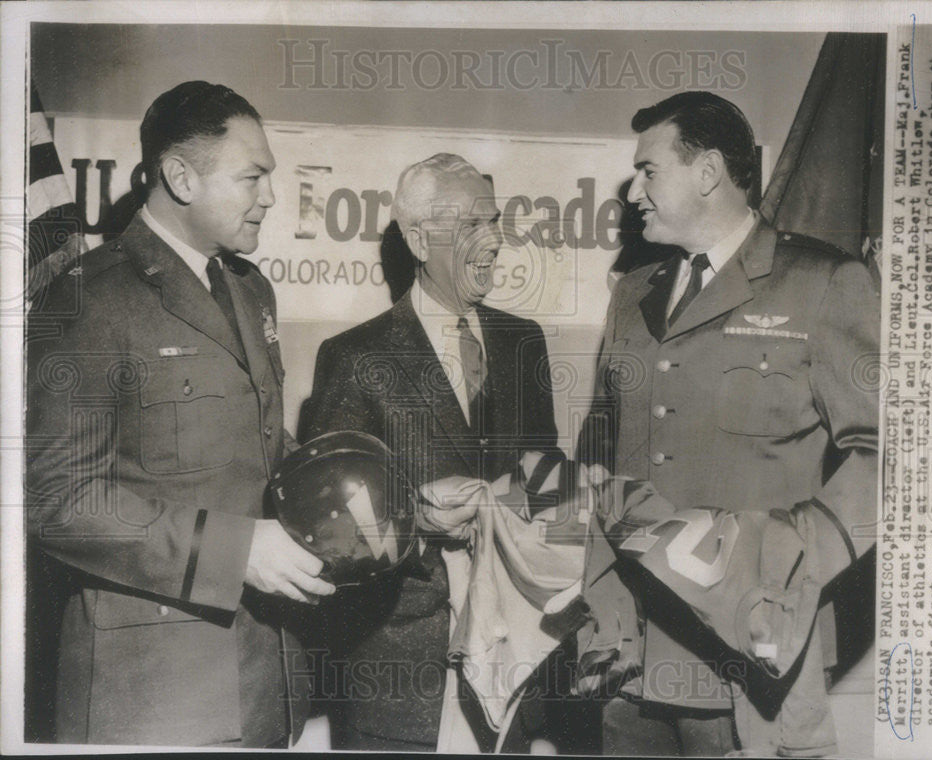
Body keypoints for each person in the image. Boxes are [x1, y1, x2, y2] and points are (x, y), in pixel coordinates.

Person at [25, 81, 336, 748]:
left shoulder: (252, 292)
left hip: (262, 679)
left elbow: (253, 450)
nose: (272, 197)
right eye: (253, 177)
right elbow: (58, 502)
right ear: (179, 177)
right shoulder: (91, 299)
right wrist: (236, 550)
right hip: (153, 696)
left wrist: (348, 494)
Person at [577, 91, 879, 756]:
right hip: (630, 654)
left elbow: (884, 457)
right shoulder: (633, 293)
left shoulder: (824, 283)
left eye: (649, 171)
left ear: (707, 171)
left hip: (746, 661)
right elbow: (601, 437)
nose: (634, 194)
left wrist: (796, 562)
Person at [300, 153, 591, 753]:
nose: (491, 242)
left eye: (494, 222)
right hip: (398, 674)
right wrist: (418, 521)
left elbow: (547, 483)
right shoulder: (356, 356)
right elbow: (326, 531)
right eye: (467, 227)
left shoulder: (523, 342)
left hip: (512, 662)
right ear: (416, 239)